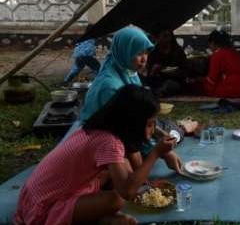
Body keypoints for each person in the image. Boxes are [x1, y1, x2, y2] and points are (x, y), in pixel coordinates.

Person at [15, 85, 178, 225]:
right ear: (132, 123)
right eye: (150, 124)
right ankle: (99, 220)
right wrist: (155, 153)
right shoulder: (109, 143)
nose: (153, 128)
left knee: (119, 171)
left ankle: (98, 217)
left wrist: (144, 185)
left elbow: (129, 171)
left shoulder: (98, 128)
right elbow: (127, 191)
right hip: (44, 207)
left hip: (35, 193)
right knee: (116, 199)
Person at [79, 26, 183, 174]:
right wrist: (160, 152)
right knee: (133, 166)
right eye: (139, 53)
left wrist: (159, 133)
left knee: (169, 131)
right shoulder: (110, 87)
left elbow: (140, 114)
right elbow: (127, 131)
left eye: (146, 52)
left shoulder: (127, 70)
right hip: (104, 137)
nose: (144, 58)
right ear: (125, 51)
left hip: (126, 127)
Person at [203, 30, 240, 98]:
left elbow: (212, 79)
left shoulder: (217, 55)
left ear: (212, 43)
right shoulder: (234, 52)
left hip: (231, 89)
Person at [144, 28, 187, 97]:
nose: (167, 39)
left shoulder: (178, 51)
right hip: (158, 81)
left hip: (175, 81)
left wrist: (173, 72)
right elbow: (149, 74)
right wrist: (153, 70)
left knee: (170, 84)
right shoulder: (153, 53)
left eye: (168, 36)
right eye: (164, 36)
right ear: (157, 38)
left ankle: (158, 92)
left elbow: (185, 71)